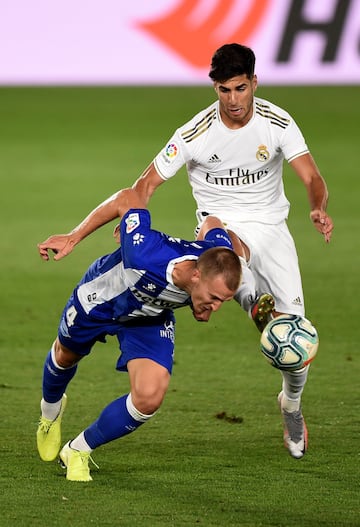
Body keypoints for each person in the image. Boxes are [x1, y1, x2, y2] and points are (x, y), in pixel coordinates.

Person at [38, 43, 334, 459]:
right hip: (219, 230)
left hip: (272, 229)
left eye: (240, 89)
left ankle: (291, 404)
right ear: (215, 88)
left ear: (254, 83)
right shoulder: (194, 134)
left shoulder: (278, 122)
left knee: (296, 349)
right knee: (238, 279)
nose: (233, 100)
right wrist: (110, 225)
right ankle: (256, 307)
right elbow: (144, 186)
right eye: (224, 90)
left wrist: (318, 206)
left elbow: (311, 176)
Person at [36, 188, 241, 482]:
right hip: (102, 300)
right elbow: (127, 197)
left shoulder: (217, 261)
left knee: (149, 396)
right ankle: (49, 413)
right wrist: (73, 237)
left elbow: (214, 225)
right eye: (214, 297)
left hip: (150, 317)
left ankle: (78, 449)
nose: (216, 307)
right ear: (196, 275)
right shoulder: (145, 253)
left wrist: (205, 302)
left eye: (223, 301)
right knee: (65, 356)